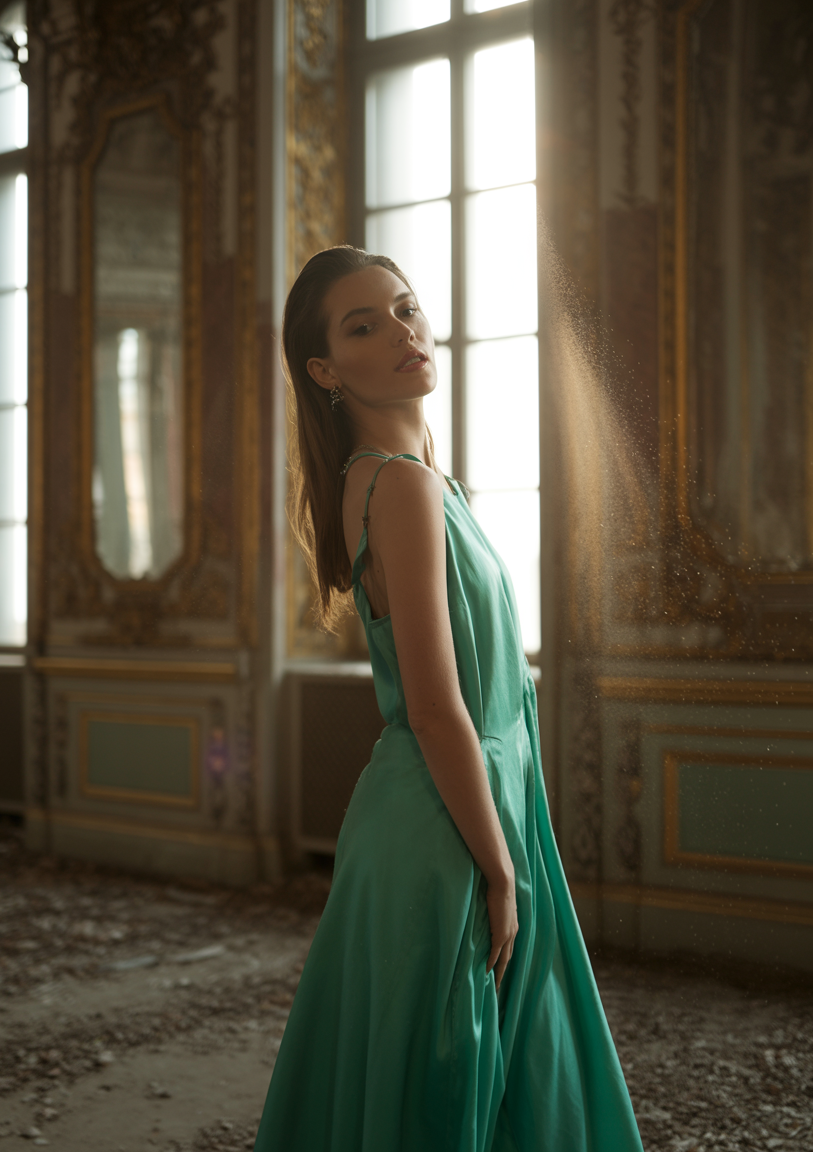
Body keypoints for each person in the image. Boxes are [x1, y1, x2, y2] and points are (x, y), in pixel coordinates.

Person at [253, 246, 644, 1152]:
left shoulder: (412, 480)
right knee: (450, 1088)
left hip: (467, 806)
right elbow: (434, 706)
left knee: (476, 1079)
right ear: (325, 371)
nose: (402, 331)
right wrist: (500, 870)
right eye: (363, 326)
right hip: (444, 828)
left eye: (405, 308)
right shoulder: (398, 486)